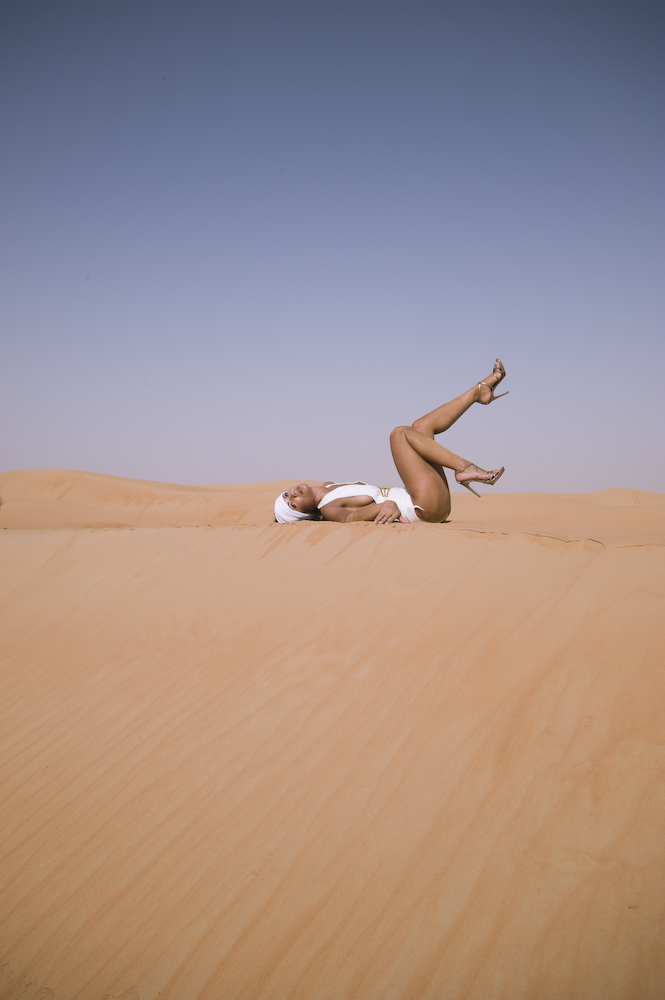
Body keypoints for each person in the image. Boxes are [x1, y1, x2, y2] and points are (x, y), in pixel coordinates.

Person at [274, 359, 508, 525]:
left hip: (423, 499)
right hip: (421, 508)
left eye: (286, 496)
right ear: (304, 513)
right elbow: (350, 518)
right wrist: (383, 508)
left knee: (420, 427)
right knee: (399, 434)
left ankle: (480, 391)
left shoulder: (328, 486)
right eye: (293, 505)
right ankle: (465, 469)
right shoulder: (328, 508)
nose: (292, 495)